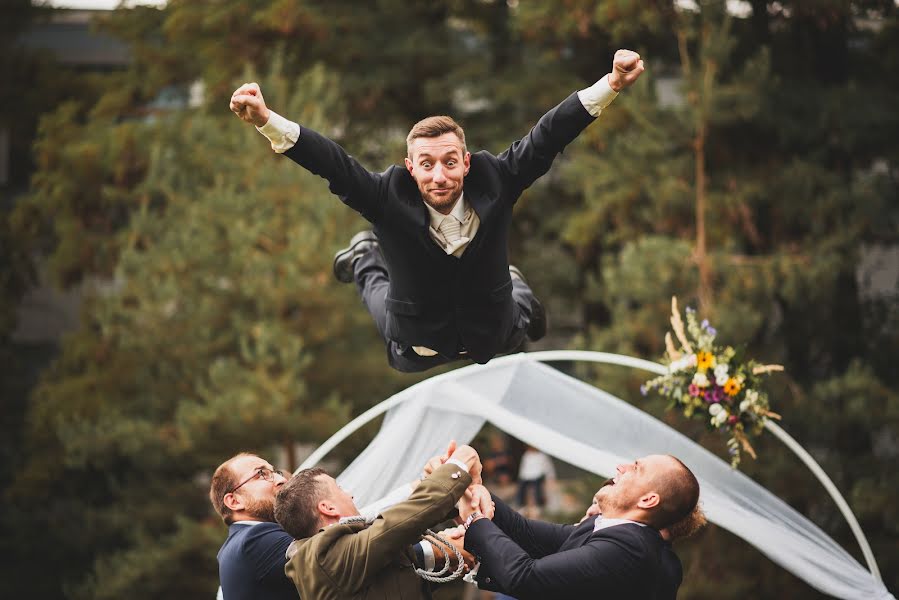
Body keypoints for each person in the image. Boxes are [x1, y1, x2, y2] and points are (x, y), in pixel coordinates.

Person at [229, 50, 645, 372]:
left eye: (449, 162)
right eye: (426, 165)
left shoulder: (498, 178)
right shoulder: (387, 196)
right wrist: (267, 120)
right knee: (375, 287)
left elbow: (548, 136)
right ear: (411, 168)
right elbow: (332, 163)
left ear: (465, 162)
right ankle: (361, 257)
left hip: (492, 328)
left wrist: (611, 83)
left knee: (528, 318)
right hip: (416, 337)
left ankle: (514, 283)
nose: (439, 176)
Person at [457, 454, 705, 600]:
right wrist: (467, 488)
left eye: (636, 468)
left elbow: (526, 578)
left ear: (648, 500)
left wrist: (474, 520)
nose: (622, 466)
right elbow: (525, 532)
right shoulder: (606, 528)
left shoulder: (632, 549)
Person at [273, 444, 489, 600]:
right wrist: (461, 461)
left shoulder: (339, 555)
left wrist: (445, 549)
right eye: (339, 488)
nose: (350, 495)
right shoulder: (325, 556)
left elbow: (394, 582)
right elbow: (399, 521)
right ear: (328, 508)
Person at [209, 453, 432, 600]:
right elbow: (349, 551)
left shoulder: (243, 545)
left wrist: (419, 488)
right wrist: (439, 549)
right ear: (234, 501)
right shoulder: (254, 542)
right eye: (261, 474)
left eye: (274, 471)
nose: (279, 479)